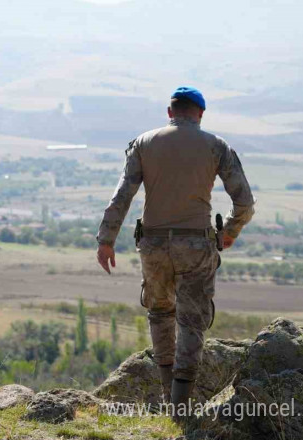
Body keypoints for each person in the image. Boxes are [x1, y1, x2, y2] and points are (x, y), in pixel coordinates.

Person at [95, 87, 255, 418]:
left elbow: (122, 194)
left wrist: (106, 239)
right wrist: (229, 233)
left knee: (160, 313)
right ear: (200, 114)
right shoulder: (216, 146)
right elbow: (245, 203)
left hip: (152, 245)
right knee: (192, 320)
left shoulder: (143, 144)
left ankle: (168, 394)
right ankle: (181, 408)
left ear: (170, 112)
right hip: (196, 245)